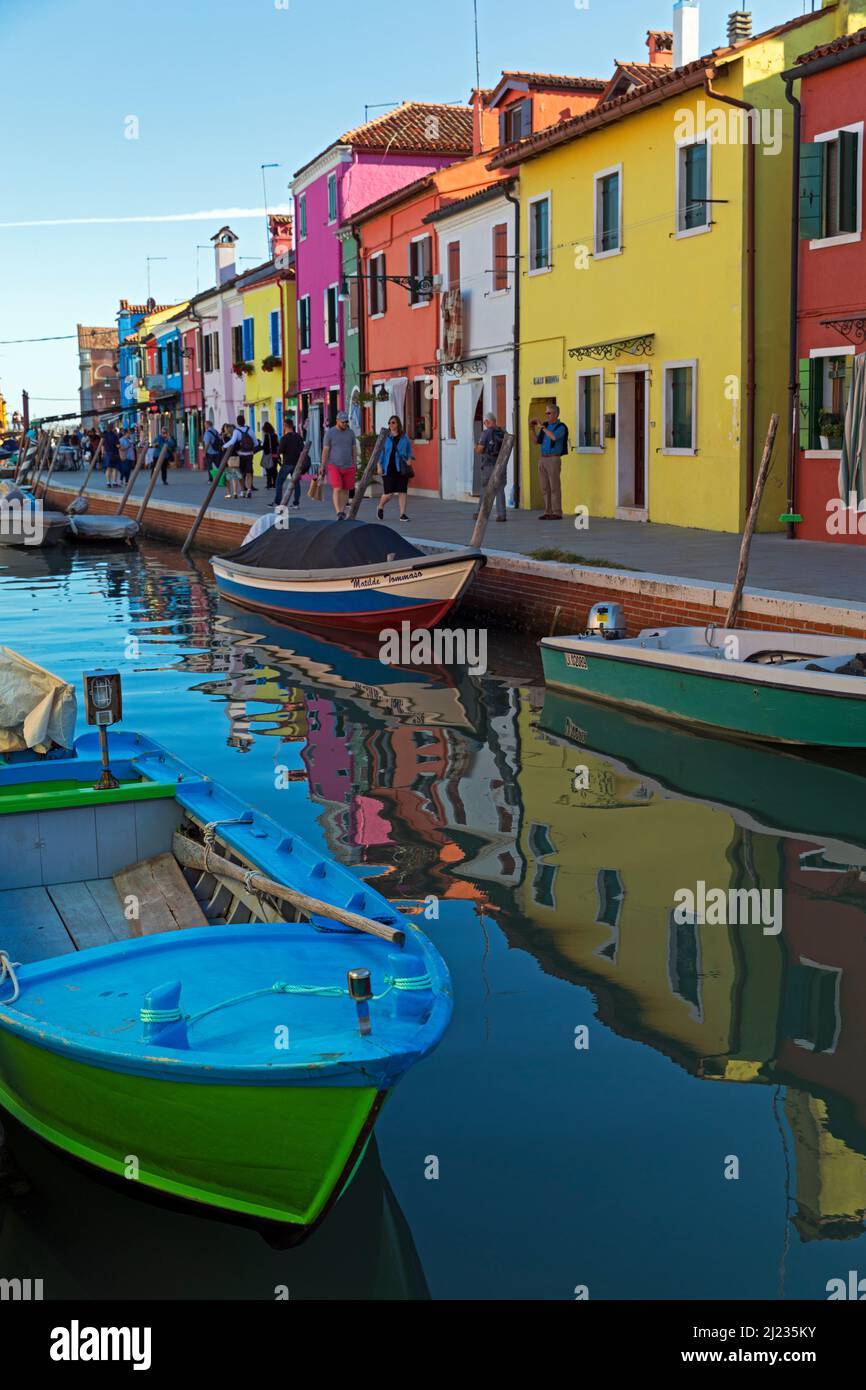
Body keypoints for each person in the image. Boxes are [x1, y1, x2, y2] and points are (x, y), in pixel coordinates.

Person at [529, 403, 569, 520]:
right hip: (543, 458)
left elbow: (554, 437)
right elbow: (536, 441)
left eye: (549, 413)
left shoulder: (561, 427)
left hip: (553, 459)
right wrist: (531, 428)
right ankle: (548, 511)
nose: (546, 415)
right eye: (546, 413)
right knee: (544, 487)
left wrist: (542, 427)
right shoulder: (545, 426)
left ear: (556, 414)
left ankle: (557, 512)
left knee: (554, 486)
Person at [377, 414, 414, 522]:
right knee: (389, 493)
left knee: (402, 491)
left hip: (401, 468)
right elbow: (380, 453)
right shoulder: (385, 437)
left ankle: (402, 514)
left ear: (398, 424)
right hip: (388, 467)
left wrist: (409, 460)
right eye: (389, 423)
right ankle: (380, 506)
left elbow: (409, 450)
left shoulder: (404, 437)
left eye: (393, 422)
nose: (391, 425)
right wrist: (379, 466)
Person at [322, 410, 358, 519]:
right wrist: (322, 465)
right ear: (337, 421)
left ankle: (342, 511)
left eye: (346, 422)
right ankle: (338, 512)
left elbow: (354, 449)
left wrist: (354, 463)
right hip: (334, 465)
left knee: (346, 489)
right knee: (337, 488)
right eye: (343, 422)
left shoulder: (350, 433)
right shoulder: (330, 433)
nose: (345, 424)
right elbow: (325, 450)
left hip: (348, 465)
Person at [474, 411, 507, 523]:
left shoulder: (486, 433)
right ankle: (501, 514)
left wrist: (476, 447)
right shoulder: (503, 432)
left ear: (487, 421)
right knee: (500, 489)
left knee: (485, 489)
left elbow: (480, 449)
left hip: (488, 464)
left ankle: (480, 512)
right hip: (501, 464)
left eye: (485, 422)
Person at [274, 418, 306, 509]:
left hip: (287, 463)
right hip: (296, 463)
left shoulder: (284, 438)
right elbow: (302, 450)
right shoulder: (298, 437)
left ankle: (278, 501)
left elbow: (279, 451)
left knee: (279, 482)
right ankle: (296, 503)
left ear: (285, 425)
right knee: (296, 483)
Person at [222, 415, 253, 500]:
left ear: (238, 422)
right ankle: (249, 490)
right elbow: (255, 442)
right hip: (250, 454)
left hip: (241, 455)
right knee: (249, 473)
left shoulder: (237, 431)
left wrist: (224, 446)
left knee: (242, 473)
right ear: (244, 421)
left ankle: (242, 491)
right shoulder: (250, 430)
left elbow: (232, 441)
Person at [101, 421, 121, 488]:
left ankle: (108, 483)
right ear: (113, 428)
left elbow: (102, 445)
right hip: (114, 453)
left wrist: (102, 453)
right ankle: (114, 482)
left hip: (107, 454)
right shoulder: (115, 436)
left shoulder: (105, 436)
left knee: (108, 469)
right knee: (115, 468)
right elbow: (118, 445)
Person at [261, 420, 280, 489]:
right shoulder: (275, 435)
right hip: (274, 455)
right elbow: (278, 444)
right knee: (274, 470)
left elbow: (265, 446)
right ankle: (275, 483)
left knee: (268, 470)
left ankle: (269, 484)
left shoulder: (266, 436)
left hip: (268, 455)